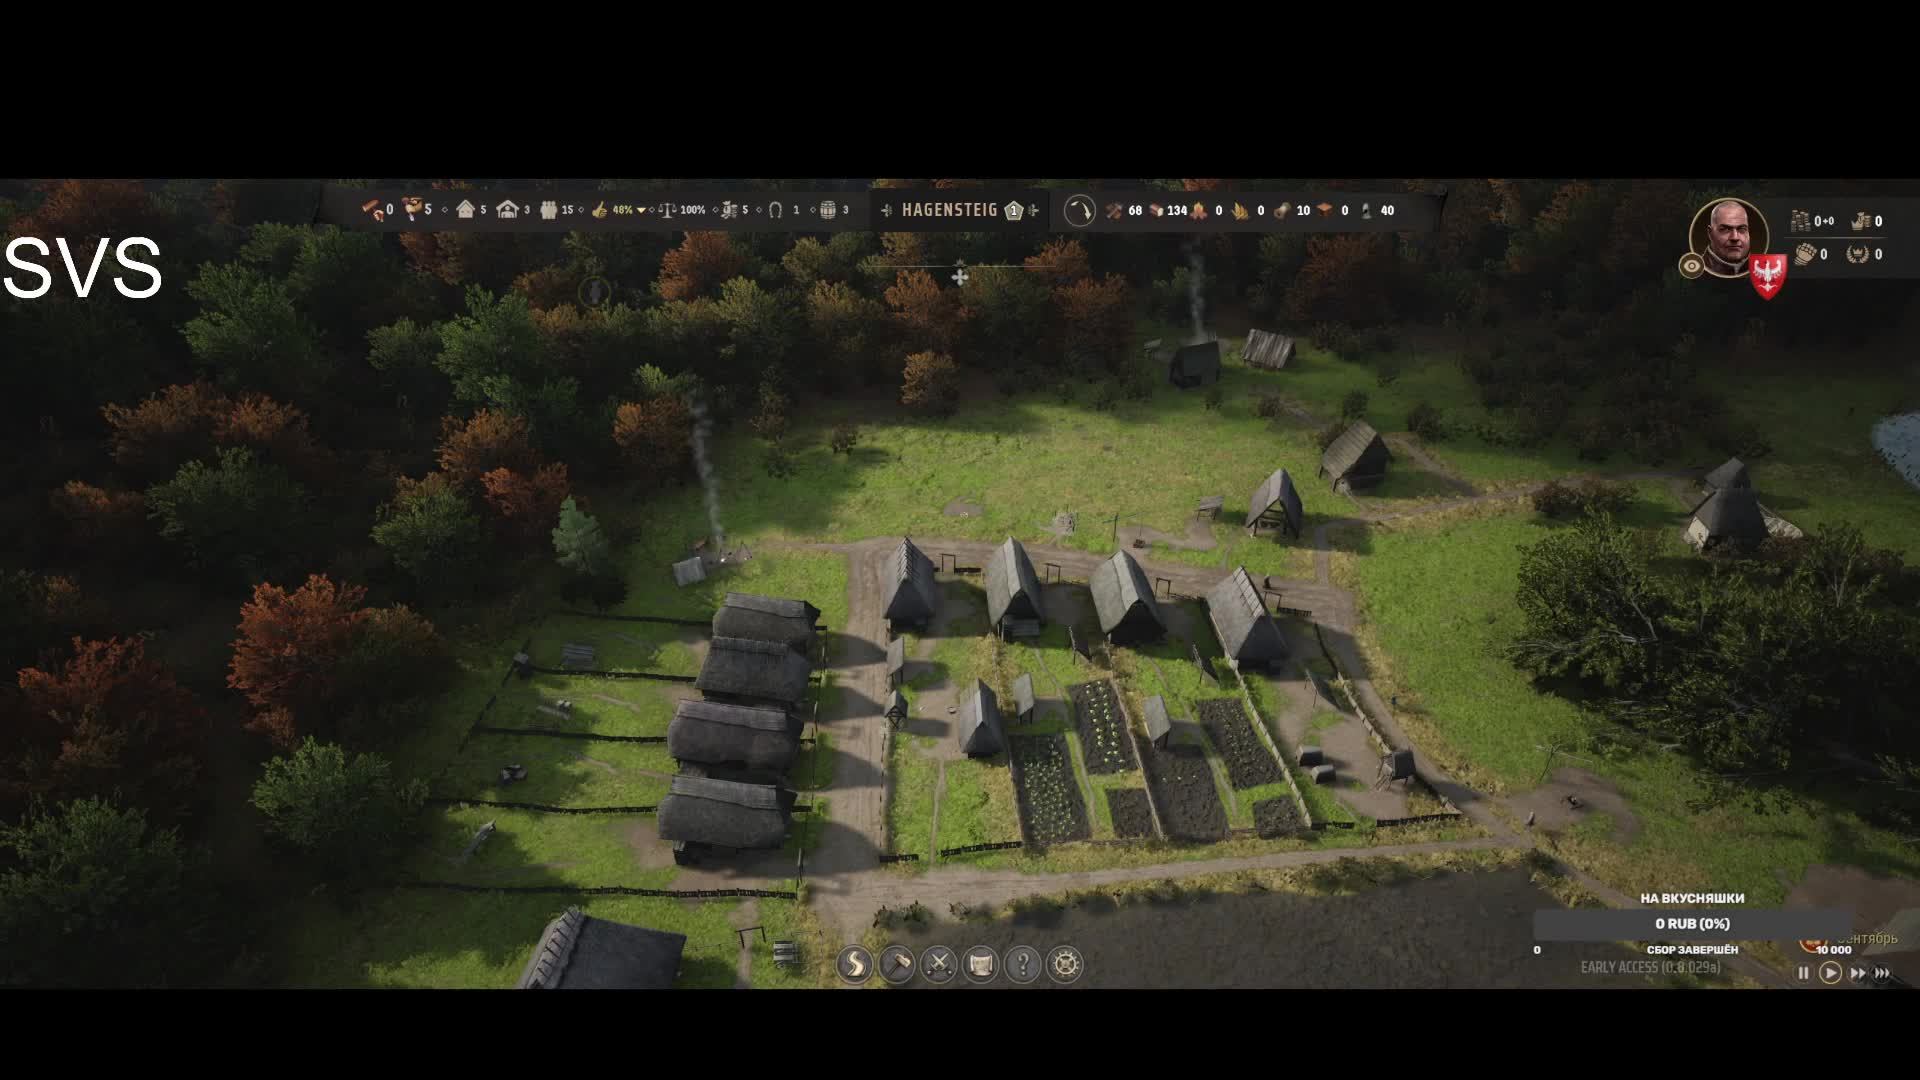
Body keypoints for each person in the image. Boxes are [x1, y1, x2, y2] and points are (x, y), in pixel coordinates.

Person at [1701, 200, 1752, 276]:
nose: (1735, 237)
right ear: (1710, 233)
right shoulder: (1697, 272)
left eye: (1741, 229)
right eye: (1725, 229)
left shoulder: (1762, 269)